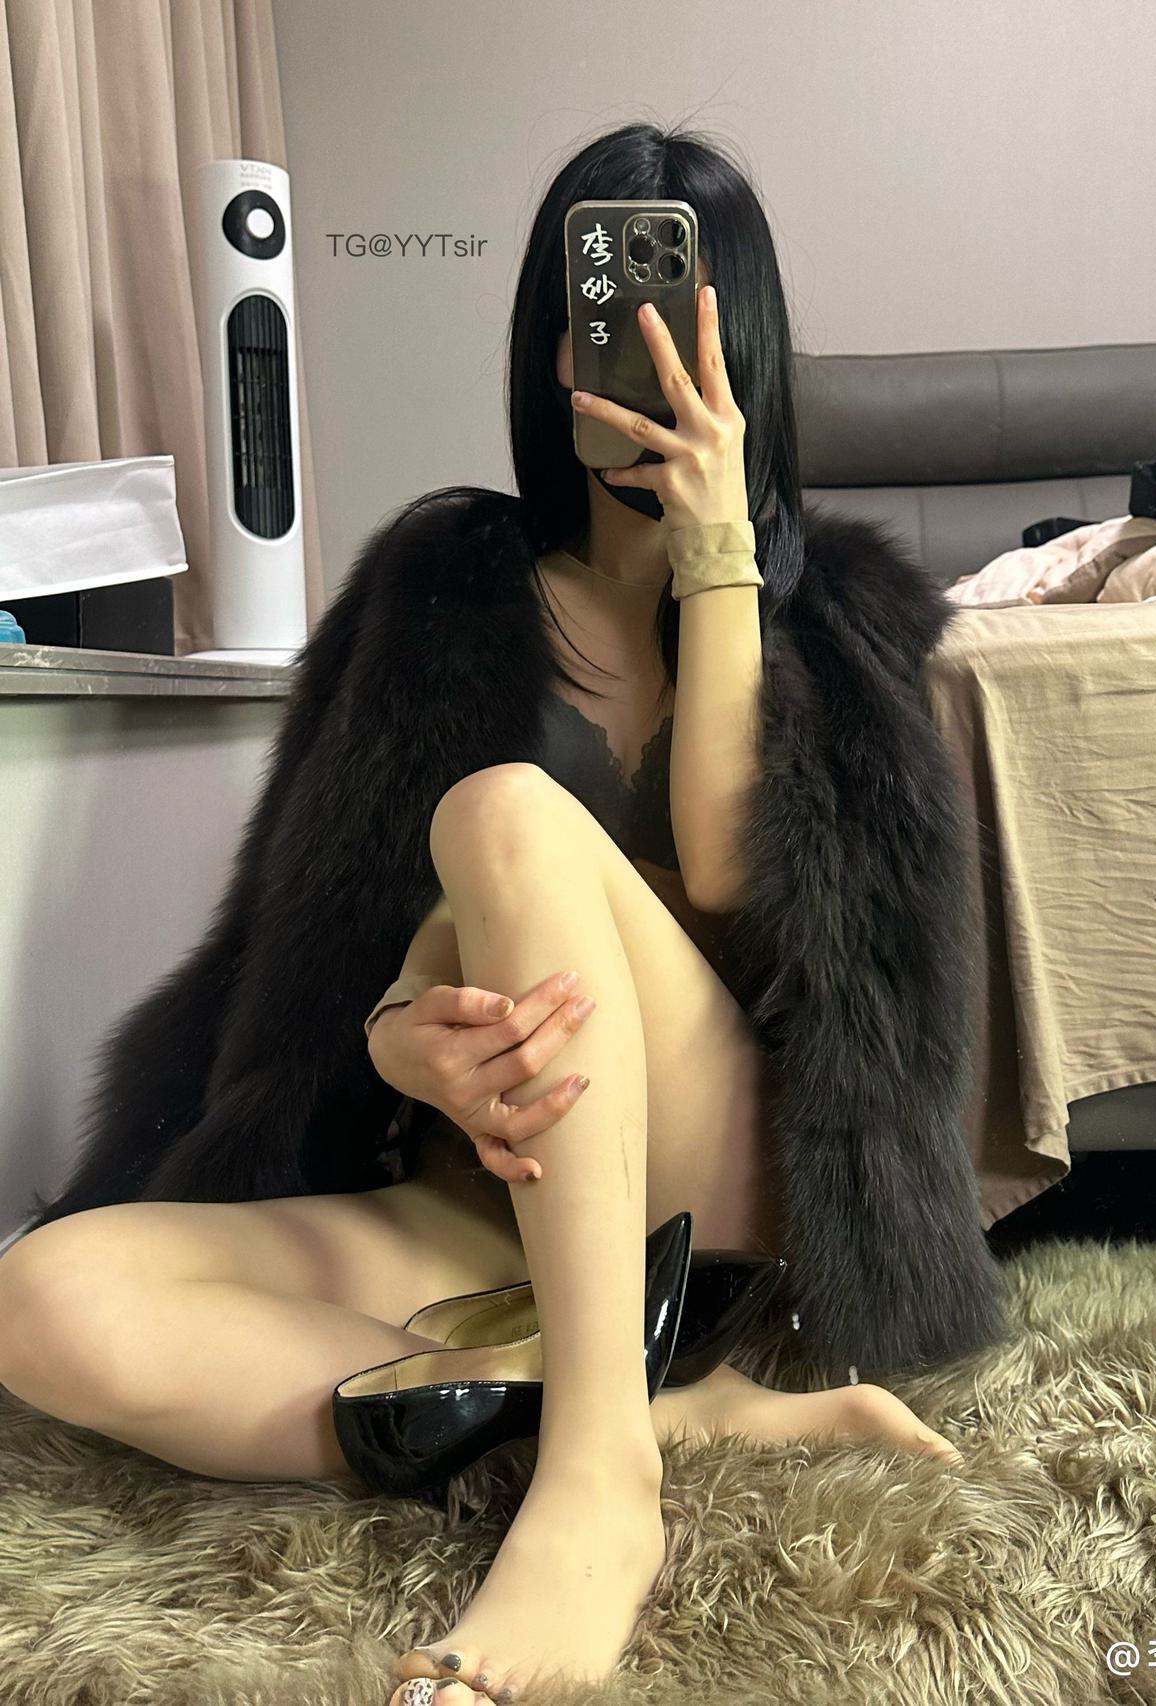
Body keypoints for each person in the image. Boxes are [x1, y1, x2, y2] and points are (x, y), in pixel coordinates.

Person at [0, 123, 985, 1706]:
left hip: (716, 1181)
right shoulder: (441, 585)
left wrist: (717, 553)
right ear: (548, 340)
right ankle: (658, 1414)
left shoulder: (841, 616)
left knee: (504, 812)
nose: (628, 352)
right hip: (493, 1196)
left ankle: (597, 1484)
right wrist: (402, 1043)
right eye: (596, 313)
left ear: (743, 340)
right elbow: (321, 944)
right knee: (49, 1297)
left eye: (674, 314)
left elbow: (741, 887)